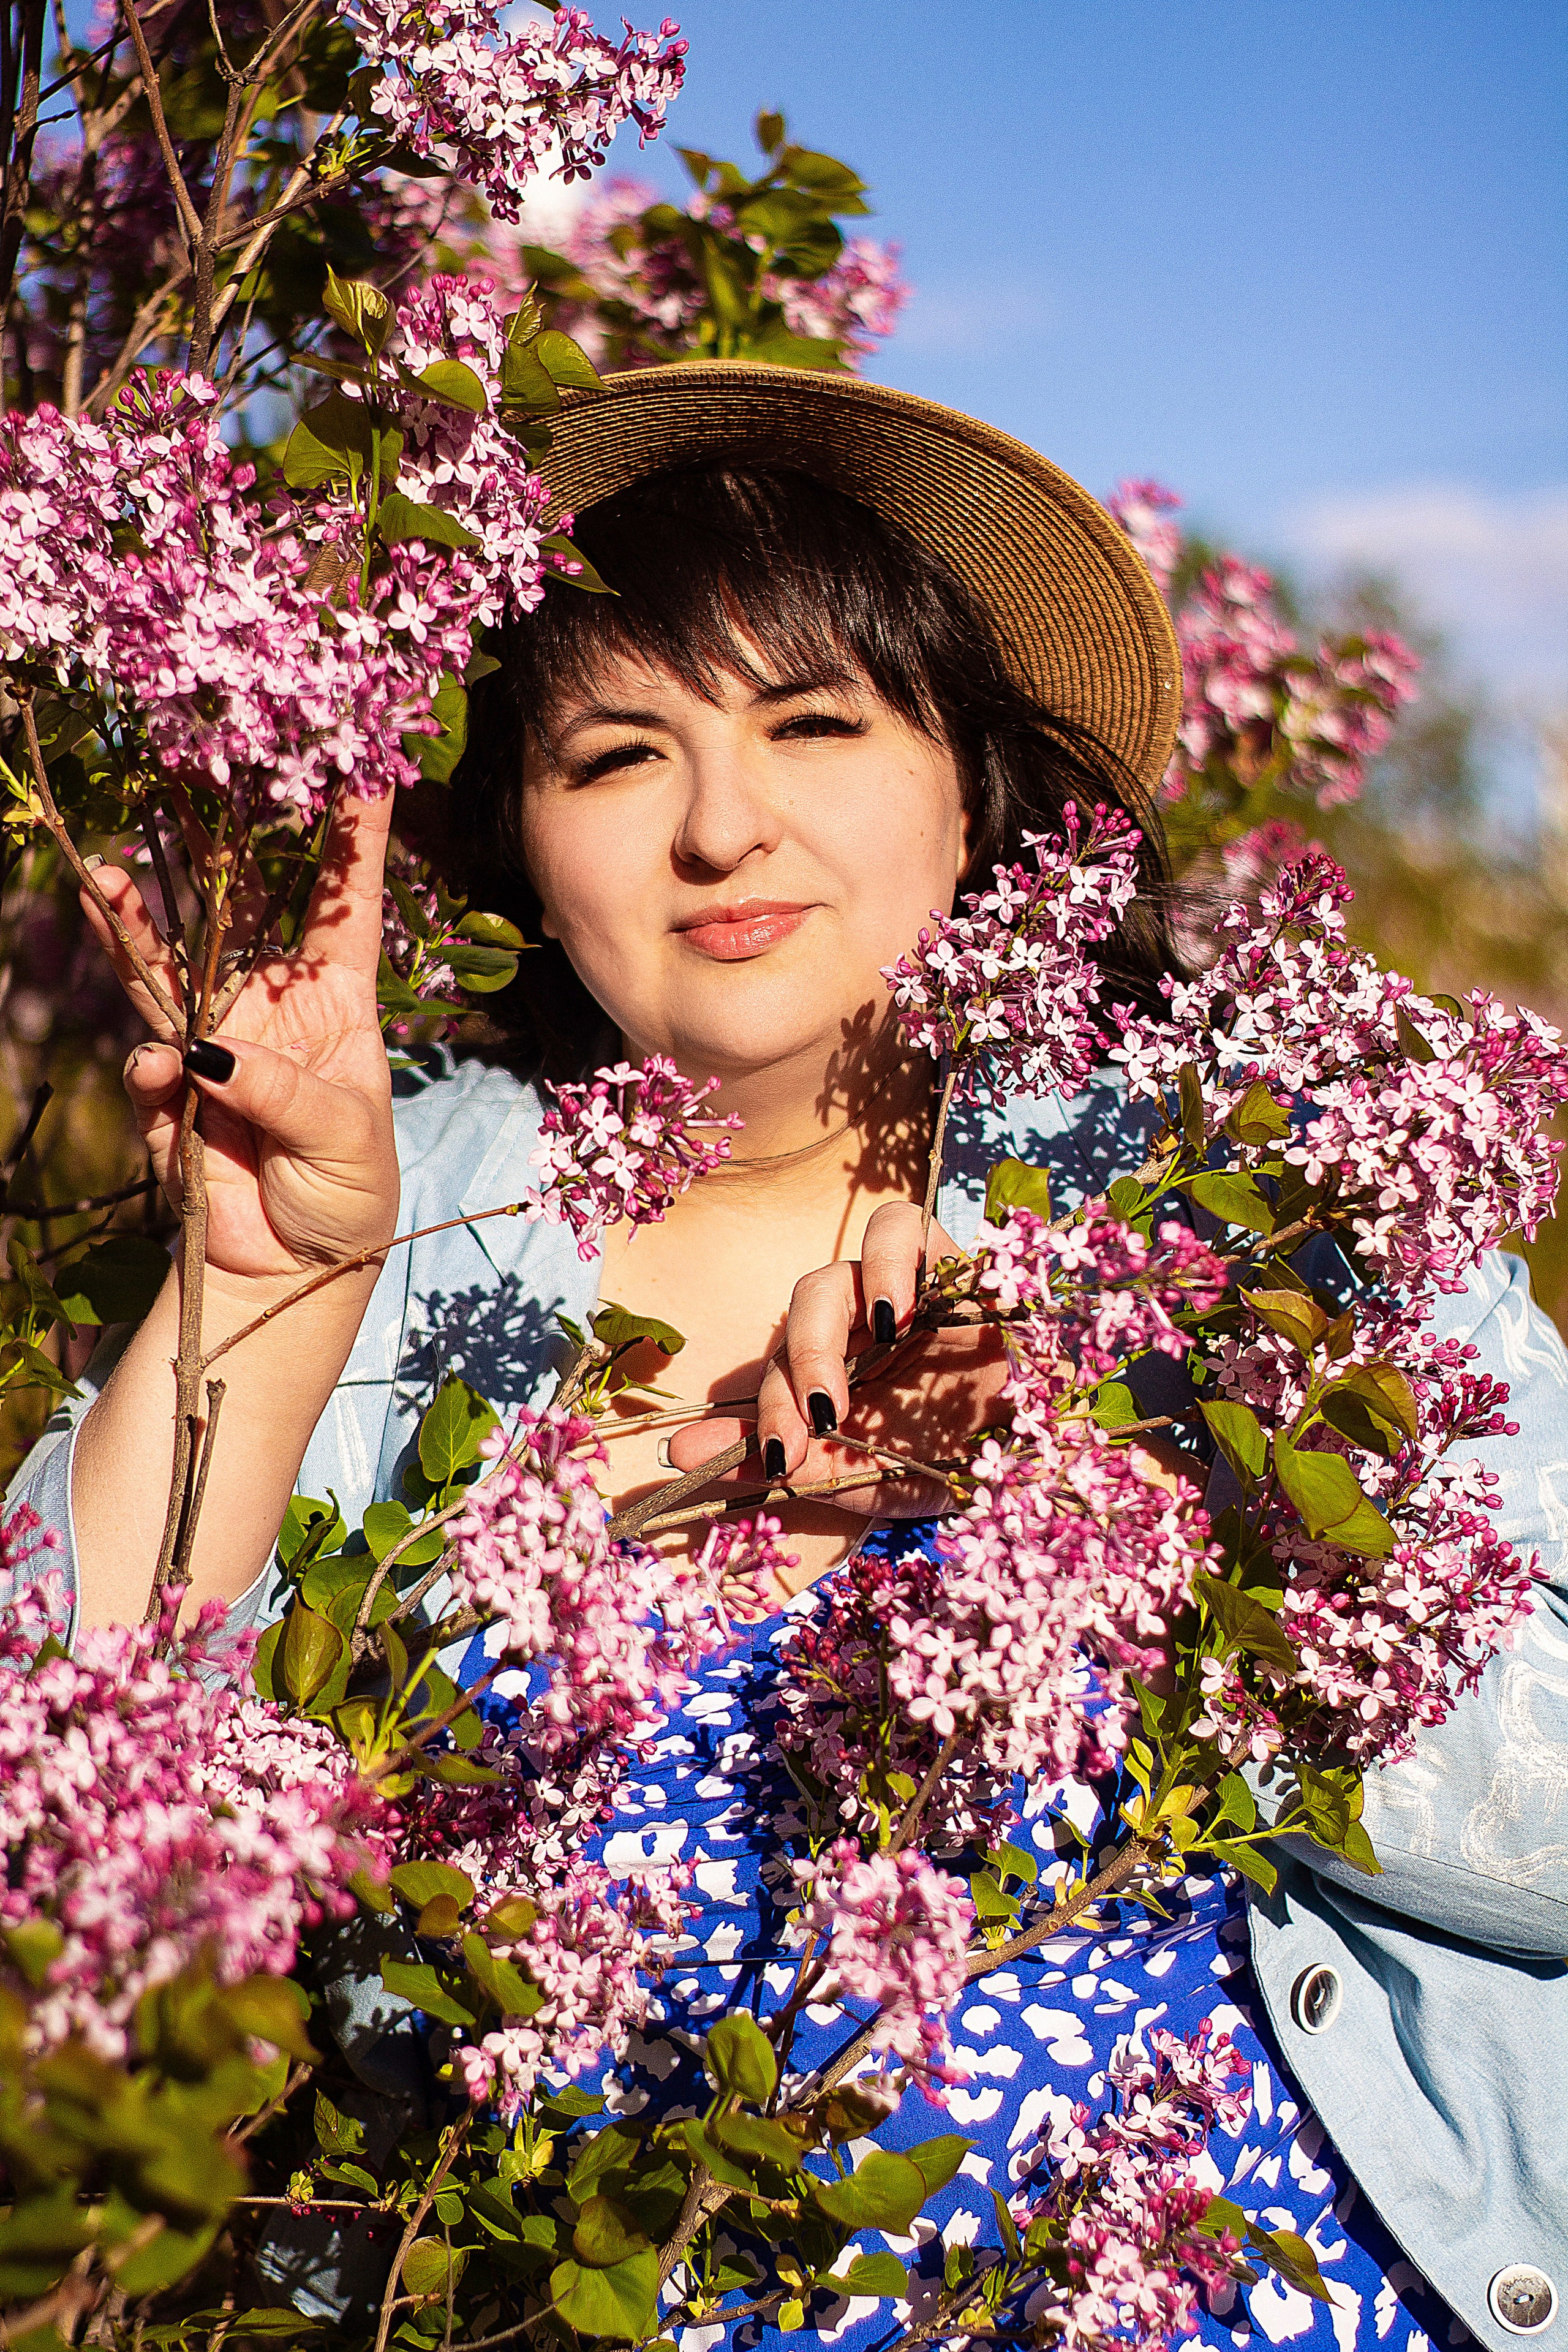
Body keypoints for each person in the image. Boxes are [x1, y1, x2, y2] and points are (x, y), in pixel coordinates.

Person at [8, 368, 1566, 2352]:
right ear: (523, 836)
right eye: (617, 755)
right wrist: (272, 1289)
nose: (723, 827)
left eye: (814, 723)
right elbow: (55, 1818)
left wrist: (1119, 1490)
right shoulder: (432, 1220)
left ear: (971, 783)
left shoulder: (1257, 1199)